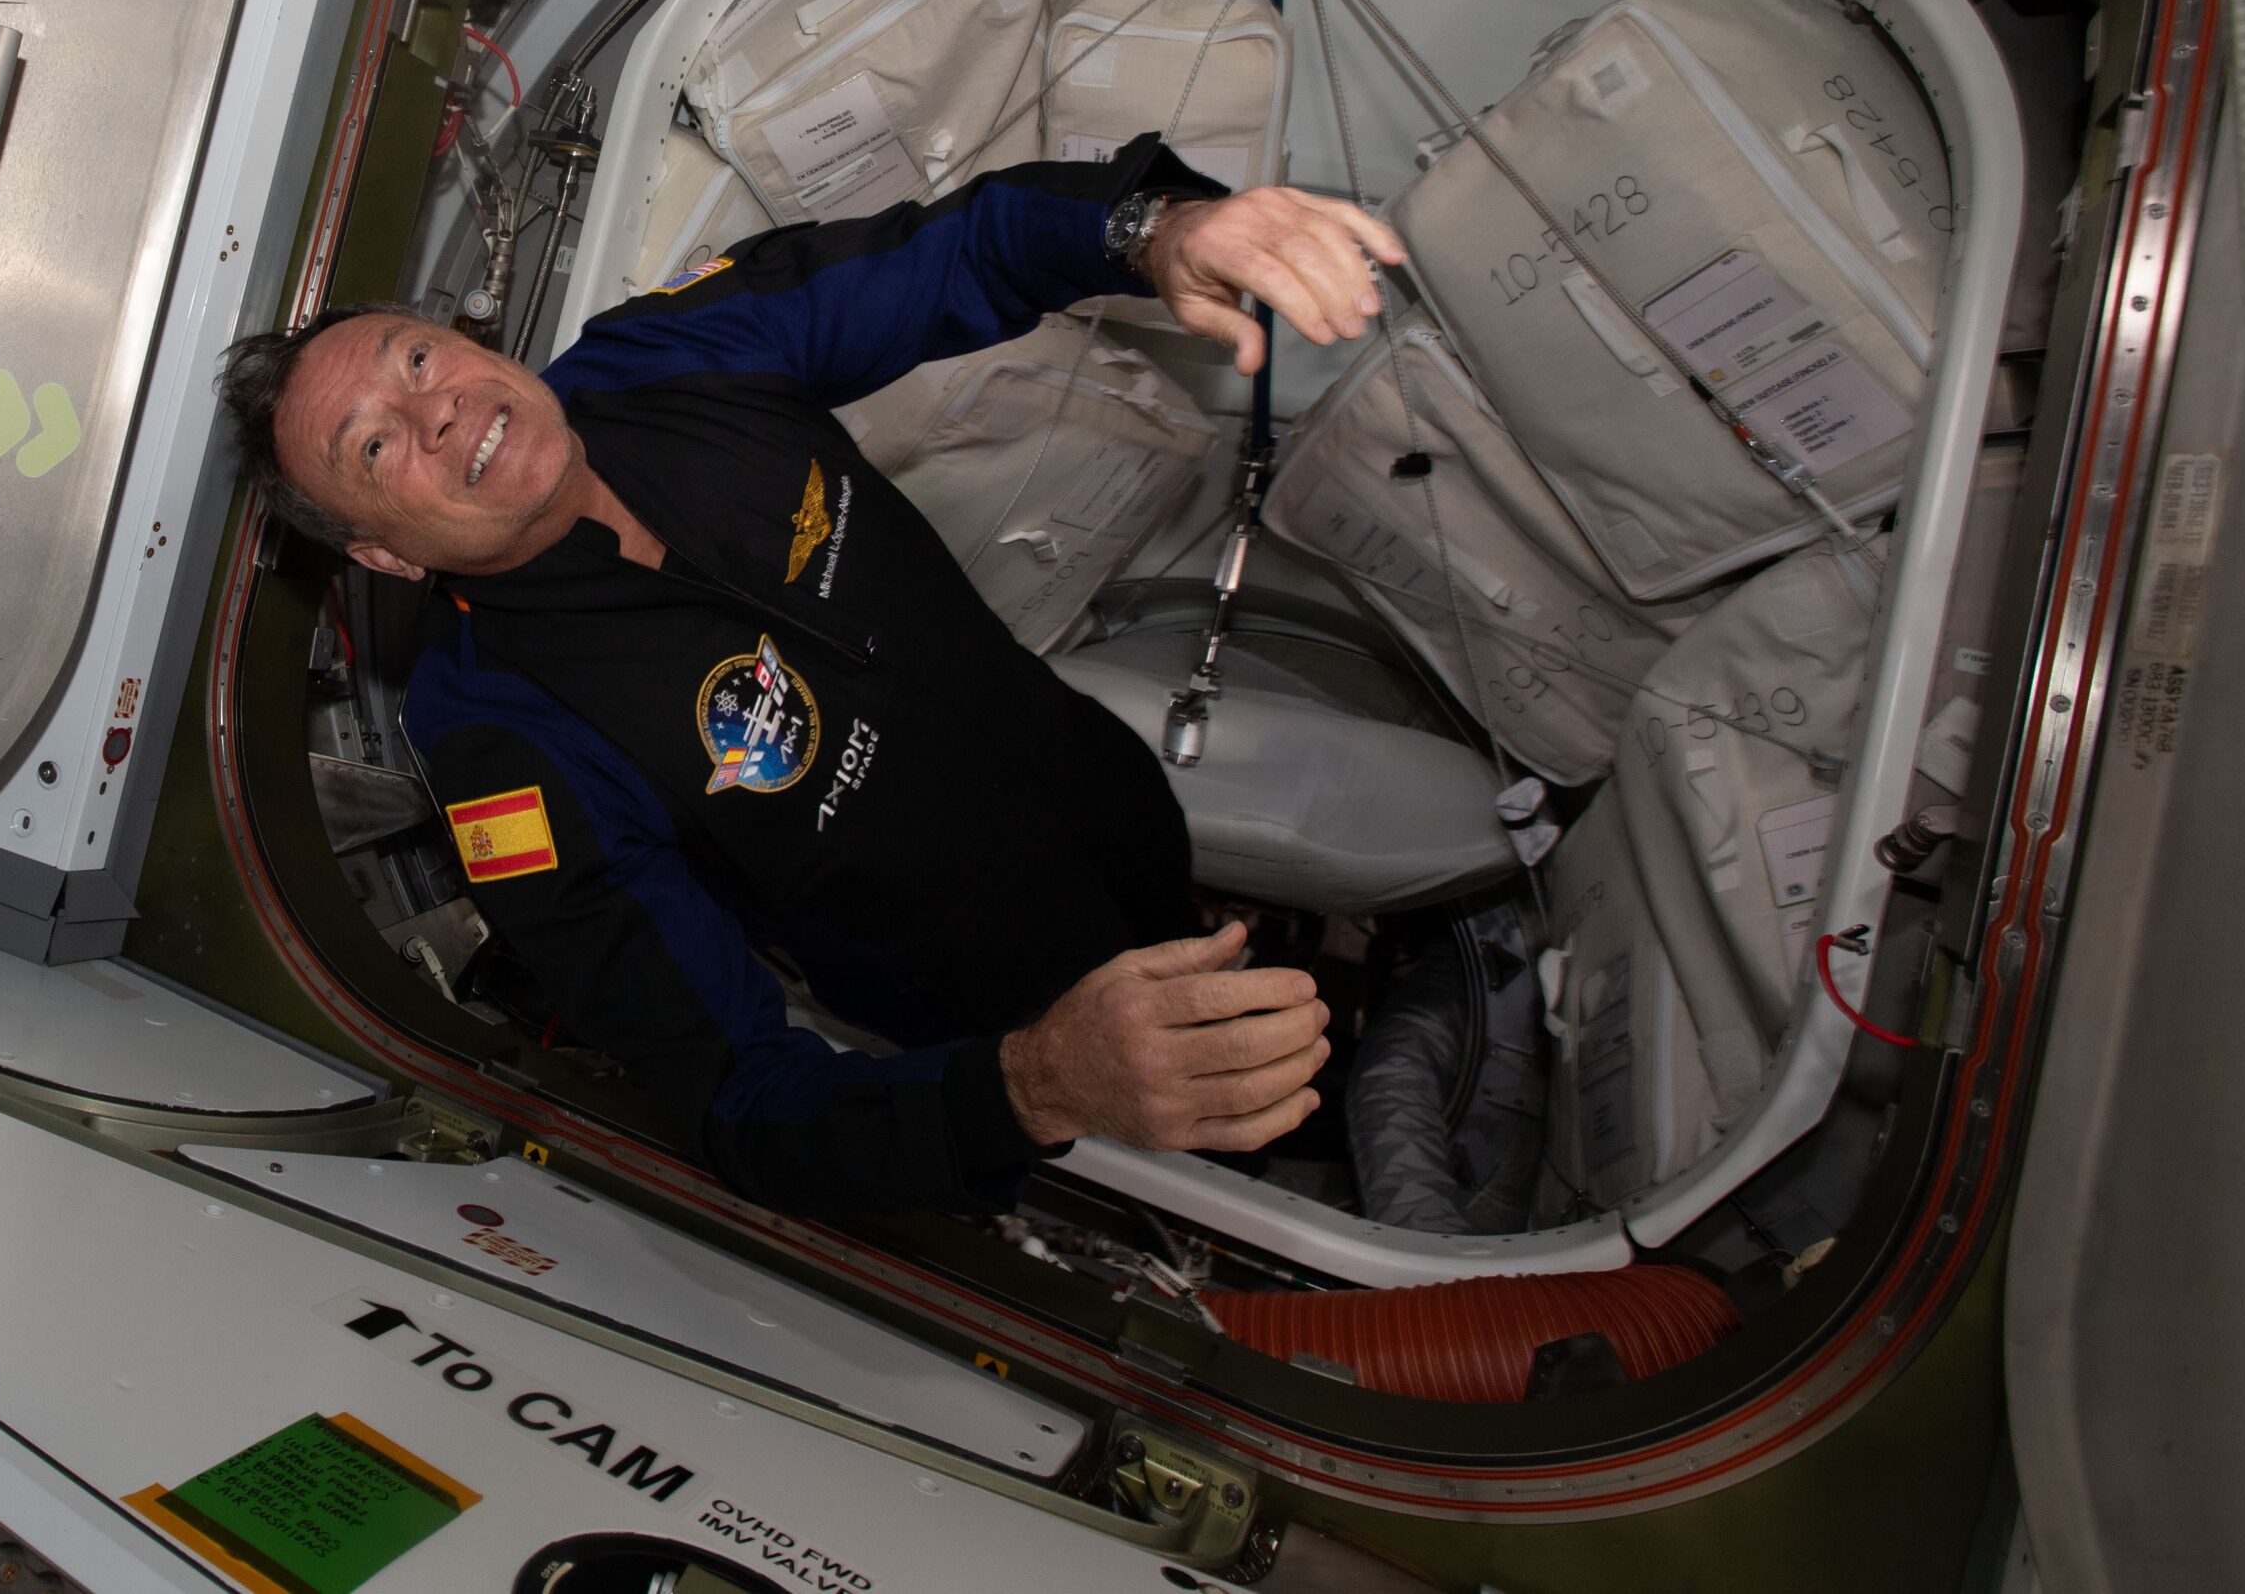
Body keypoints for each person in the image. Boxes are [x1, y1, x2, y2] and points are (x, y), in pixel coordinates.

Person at [217, 135, 1408, 1216]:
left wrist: (1156, 232)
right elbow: (741, 1103)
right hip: (1009, 1000)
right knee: (1228, 1151)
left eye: (418, 357)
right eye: (373, 444)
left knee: (1266, 990)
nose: (436, 413)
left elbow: (959, 250)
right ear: (380, 552)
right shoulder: (504, 748)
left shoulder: (662, 356)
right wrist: (1041, 1083)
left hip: (1110, 799)